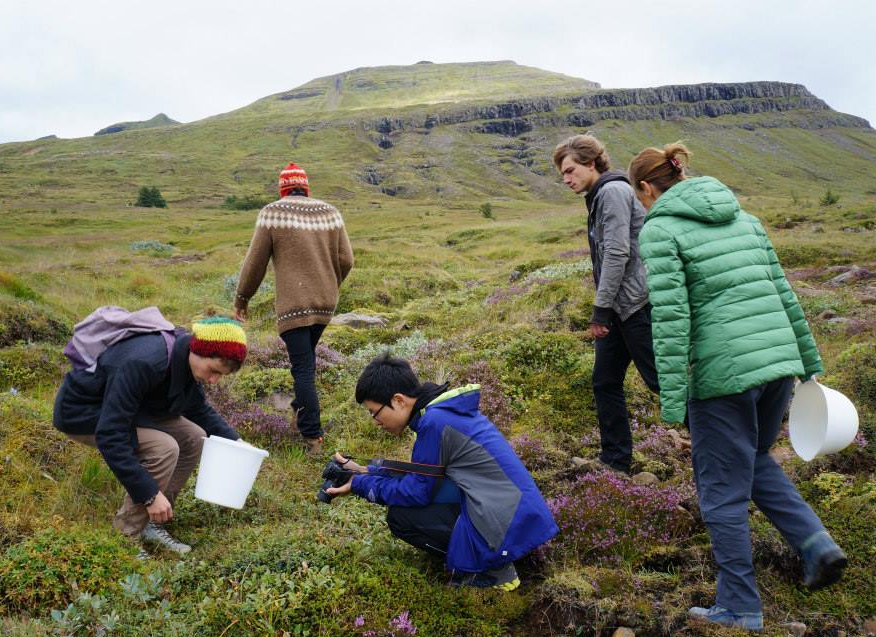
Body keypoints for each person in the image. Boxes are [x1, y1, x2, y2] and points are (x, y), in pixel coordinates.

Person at [630, 142, 848, 631]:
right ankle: (816, 546)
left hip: (723, 375)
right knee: (752, 458)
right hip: (777, 365)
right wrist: (807, 362)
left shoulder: (660, 228)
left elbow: (670, 318)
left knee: (721, 494)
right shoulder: (744, 217)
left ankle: (739, 606)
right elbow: (783, 291)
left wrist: (670, 400)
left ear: (646, 187)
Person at [325, 353, 559, 590]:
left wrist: (358, 485)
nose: (375, 421)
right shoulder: (441, 414)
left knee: (401, 517)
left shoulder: (434, 423)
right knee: (422, 497)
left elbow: (416, 492)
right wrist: (366, 471)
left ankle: (490, 571)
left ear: (398, 400)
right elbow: (426, 477)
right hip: (517, 515)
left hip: (505, 522)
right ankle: (490, 557)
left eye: (374, 412)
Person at [53, 316, 248, 556]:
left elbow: (197, 408)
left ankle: (151, 522)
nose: (213, 380)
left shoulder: (185, 356)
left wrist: (236, 442)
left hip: (134, 408)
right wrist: (149, 494)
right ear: (199, 351)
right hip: (85, 412)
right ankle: (126, 536)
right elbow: (110, 434)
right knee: (164, 447)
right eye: (213, 371)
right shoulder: (144, 361)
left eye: (220, 376)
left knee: (194, 437)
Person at [553, 134, 659, 473]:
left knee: (661, 382)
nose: (567, 180)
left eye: (570, 171)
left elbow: (617, 253)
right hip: (619, 307)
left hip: (635, 306)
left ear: (591, 162)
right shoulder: (600, 194)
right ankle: (615, 461)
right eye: (563, 175)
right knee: (605, 380)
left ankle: (718, 447)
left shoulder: (612, 192)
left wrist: (599, 310)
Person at [234, 163, 354, 456]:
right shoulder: (330, 212)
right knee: (307, 360)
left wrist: (242, 298)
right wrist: (330, 285)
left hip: (294, 306)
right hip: (326, 303)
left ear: (283, 188)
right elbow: (347, 259)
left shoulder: (272, 213)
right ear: (306, 187)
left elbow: (255, 264)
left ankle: (312, 438)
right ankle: (300, 410)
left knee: (303, 368)